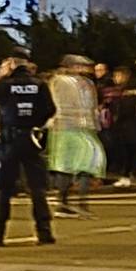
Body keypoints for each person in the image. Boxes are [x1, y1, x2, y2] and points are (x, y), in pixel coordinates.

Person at [0, 56, 55, 247]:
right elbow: (50, 109)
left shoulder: (6, 85)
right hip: (32, 138)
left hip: (10, 139)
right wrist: (34, 122)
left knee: (4, 188)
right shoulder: (39, 85)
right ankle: (44, 231)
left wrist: (0, 76)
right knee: (37, 187)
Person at [46, 56, 104, 217]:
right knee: (76, 166)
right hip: (68, 127)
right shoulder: (61, 81)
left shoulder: (83, 83)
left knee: (78, 165)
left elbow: (93, 106)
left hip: (76, 127)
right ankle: (69, 203)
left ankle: (74, 203)